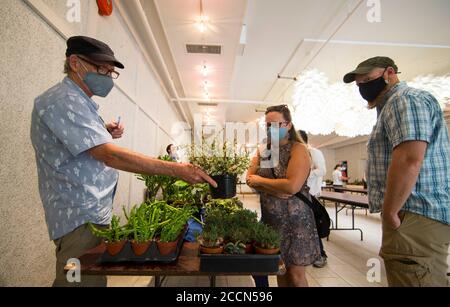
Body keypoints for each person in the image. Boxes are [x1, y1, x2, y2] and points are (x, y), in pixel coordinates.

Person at [30, 36, 217, 287]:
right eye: (102, 70)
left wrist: (102, 130)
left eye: (110, 72)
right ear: (75, 63)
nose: (107, 77)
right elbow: (110, 155)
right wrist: (177, 170)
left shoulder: (81, 103)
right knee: (77, 281)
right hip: (77, 217)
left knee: (89, 281)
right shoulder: (62, 100)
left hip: (89, 214)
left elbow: (82, 145)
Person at [344, 56, 450, 287]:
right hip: (413, 215)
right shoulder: (392, 105)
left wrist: (391, 212)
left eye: (368, 80)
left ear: (389, 73)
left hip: (414, 213)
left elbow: (409, 159)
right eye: (359, 84)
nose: (363, 88)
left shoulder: (405, 100)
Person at [246, 105, 320, 287]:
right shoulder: (265, 150)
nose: (271, 129)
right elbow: (249, 178)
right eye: (268, 125)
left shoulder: (298, 149)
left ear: (288, 125)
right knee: (280, 270)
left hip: (297, 222)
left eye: (276, 124)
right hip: (272, 221)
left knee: (295, 274)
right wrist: (276, 189)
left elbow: (292, 186)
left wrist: (262, 183)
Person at [298, 130, 328, 268]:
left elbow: (322, 170)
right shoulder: (297, 153)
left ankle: (321, 254)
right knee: (303, 225)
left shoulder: (315, 152)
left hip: (311, 193)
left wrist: (307, 174)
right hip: (299, 193)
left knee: (313, 224)